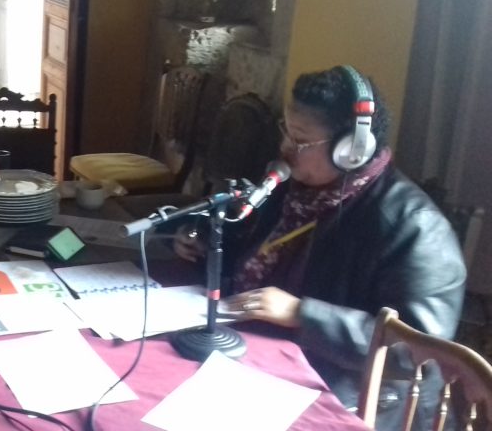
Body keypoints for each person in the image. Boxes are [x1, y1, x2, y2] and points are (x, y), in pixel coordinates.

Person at [175, 66, 465, 430]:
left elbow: (417, 351)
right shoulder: (296, 190)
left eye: (300, 140)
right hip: (269, 355)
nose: (285, 149)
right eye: (285, 131)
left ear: (352, 150)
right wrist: (206, 245)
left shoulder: (416, 226)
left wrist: (301, 313)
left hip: (358, 397)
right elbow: (254, 253)